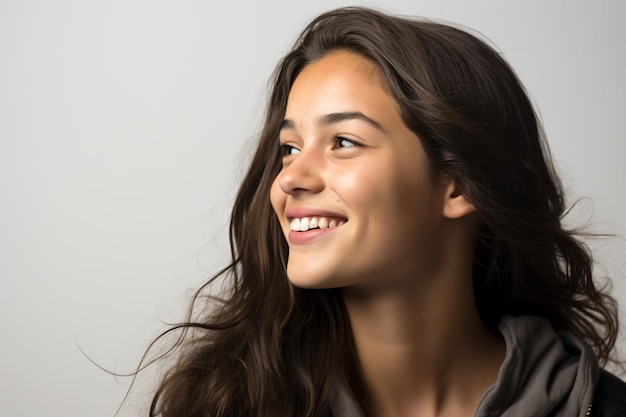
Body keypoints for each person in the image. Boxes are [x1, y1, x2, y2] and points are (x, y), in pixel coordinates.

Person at [145, 7, 626, 417]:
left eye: (344, 142)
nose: (289, 178)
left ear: (459, 183)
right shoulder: (223, 403)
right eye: (289, 147)